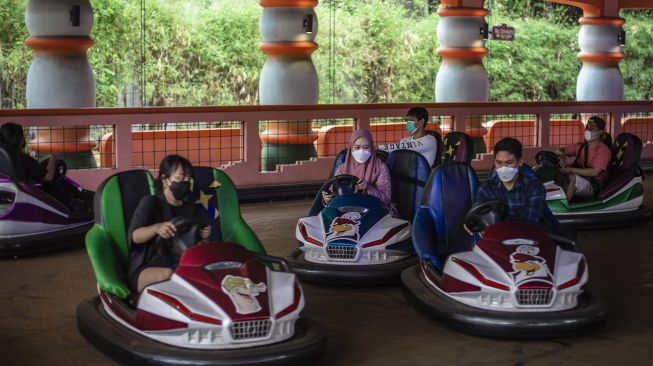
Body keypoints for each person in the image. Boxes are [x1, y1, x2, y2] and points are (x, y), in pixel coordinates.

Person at [127, 154, 216, 293]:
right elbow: (136, 236)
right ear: (165, 180)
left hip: (181, 263)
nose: (185, 181)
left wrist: (204, 237)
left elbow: (197, 247)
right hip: (148, 265)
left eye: (188, 178)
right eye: (180, 177)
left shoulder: (192, 209)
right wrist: (156, 228)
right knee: (169, 275)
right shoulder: (151, 202)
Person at [477, 137, 559, 233]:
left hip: (532, 238)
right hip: (498, 239)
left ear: (520, 162)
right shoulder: (486, 188)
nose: (503, 168)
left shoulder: (533, 187)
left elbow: (529, 223)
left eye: (509, 162)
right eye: (499, 163)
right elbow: (479, 214)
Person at [322, 129, 391, 208]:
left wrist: (368, 188)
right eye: (357, 147)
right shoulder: (342, 169)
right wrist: (327, 199)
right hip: (345, 210)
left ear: (372, 148)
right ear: (351, 148)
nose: (361, 151)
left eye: (366, 147)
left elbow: (386, 199)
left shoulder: (380, 168)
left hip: (371, 210)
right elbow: (333, 192)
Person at [555, 116, 611, 201]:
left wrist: (571, 170)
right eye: (587, 127)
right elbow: (560, 150)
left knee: (571, 178)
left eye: (591, 128)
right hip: (580, 177)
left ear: (599, 132)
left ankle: (564, 208)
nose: (588, 130)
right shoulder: (581, 146)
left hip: (593, 184)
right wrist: (562, 155)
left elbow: (595, 172)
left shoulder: (603, 150)